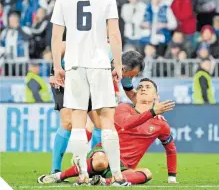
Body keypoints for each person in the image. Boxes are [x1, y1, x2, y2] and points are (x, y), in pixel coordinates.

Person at [51, 0, 129, 186]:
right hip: (99, 64)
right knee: (106, 119)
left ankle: (82, 175)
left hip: (73, 64)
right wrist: (118, 64)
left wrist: (58, 66)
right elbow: (114, 34)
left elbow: (56, 37)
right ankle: (117, 176)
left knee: (77, 120)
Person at [38, 78, 176, 185]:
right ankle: (58, 176)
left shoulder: (161, 124)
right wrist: (152, 112)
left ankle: (104, 182)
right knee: (101, 162)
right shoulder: (124, 108)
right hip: (104, 152)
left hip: (123, 167)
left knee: (147, 173)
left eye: (147, 87)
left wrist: (172, 177)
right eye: (139, 87)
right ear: (135, 95)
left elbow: (171, 150)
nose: (142, 89)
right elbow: (127, 124)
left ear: (156, 96)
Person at [49, 46, 145, 175]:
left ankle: (93, 165)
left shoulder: (124, 70)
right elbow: (62, 46)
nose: (130, 78)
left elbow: (131, 93)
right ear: (123, 67)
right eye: (132, 75)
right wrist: (54, 70)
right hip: (64, 77)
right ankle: (55, 170)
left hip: (89, 84)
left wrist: (150, 111)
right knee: (68, 123)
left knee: (100, 123)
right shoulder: (102, 50)